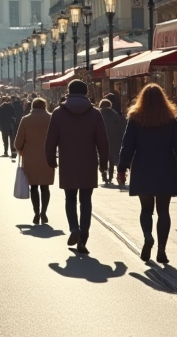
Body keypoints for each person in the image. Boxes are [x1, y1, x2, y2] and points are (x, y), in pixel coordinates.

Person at [117, 83, 177, 264]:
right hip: (165, 169)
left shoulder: (135, 119)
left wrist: (122, 169)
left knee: (146, 209)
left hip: (142, 168)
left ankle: (147, 236)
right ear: (164, 100)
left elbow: (127, 146)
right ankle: (162, 250)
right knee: (163, 211)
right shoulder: (170, 120)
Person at [44, 79, 108, 254]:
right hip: (88, 162)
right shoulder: (95, 113)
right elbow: (103, 141)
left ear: (68, 92)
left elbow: (50, 141)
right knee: (86, 200)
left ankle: (74, 228)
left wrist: (50, 160)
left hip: (67, 162)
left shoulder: (58, 113)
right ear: (86, 92)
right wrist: (104, 163)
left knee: (70, 198)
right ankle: (83, 238)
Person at [13, 97, 54, 225]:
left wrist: (21, 148)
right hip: (48, 156)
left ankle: (36, 213)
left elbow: (17, 142)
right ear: (45, 106)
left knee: (34, 186)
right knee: (45, 186)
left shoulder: (25, 120)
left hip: (30, 157)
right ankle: (44, 212)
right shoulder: (51, 118)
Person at [98, 98, 125, 185]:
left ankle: (103, 175)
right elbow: (120, 127)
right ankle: (110, 176)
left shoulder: (98, 113)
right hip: (114, 139)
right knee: (112, 159)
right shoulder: (115, 114)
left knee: (102, 157)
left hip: (100, 139)